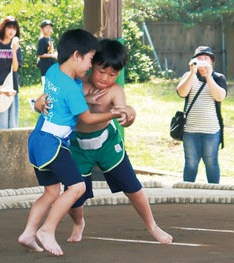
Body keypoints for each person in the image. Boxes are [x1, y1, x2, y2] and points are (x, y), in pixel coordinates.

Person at [35, 39, 173, 245]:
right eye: (101, 71)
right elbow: (50, 102)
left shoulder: (115, 91)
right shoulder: (76, 84)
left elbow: (123, 114)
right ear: (91, 64)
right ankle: (79, 222)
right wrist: (38, 104)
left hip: (108, 144)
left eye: (113, 74)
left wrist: (129, 116)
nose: (106, 78)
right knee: (74, 198)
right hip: (78, 146)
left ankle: (152, 226)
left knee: (133, 188)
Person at [18, 29, 126, 256]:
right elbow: (86, 118)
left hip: (38, 140)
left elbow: (59, 100)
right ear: (77, 55)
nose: (90, 66)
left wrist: (85, 98)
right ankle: (47, 229)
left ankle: (28, 233)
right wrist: (113, 114)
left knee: (51, 192)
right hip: (53, 143)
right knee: (78, 187)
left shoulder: (54, 71)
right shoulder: (72, 88)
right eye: (89, 59)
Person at [177, 46, 227, 184]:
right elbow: (182, 93)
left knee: (211, 163)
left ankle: (214, 193)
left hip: (211, 130)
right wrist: (192, 73)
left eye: (206, 58)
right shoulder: (188, 76)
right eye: (199, 58)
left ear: (211, 61)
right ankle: (187, 193)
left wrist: (209, 77)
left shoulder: (218, 78)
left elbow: (220, 97)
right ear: (193, 60)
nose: (203, 61)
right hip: (190, 130)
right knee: (191, 163)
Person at [0, 16, 23, 129]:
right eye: (9, 28)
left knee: (12, 123)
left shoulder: (16, 47)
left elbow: (15, 68)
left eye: (14, 29)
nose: (11, 31)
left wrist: (14, 51)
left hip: (11, 86)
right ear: (4, 28)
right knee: (0, 123)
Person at [36, 19, 57, 87]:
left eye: (50, 27)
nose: (48, 29)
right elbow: (40, 54)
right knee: (46, 83)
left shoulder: (49, 38)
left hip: (51, 63)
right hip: (45, 65)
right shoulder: (42, 40)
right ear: (42, 29)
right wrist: (52, 55)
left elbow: (50, 50)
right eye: (46, 27)